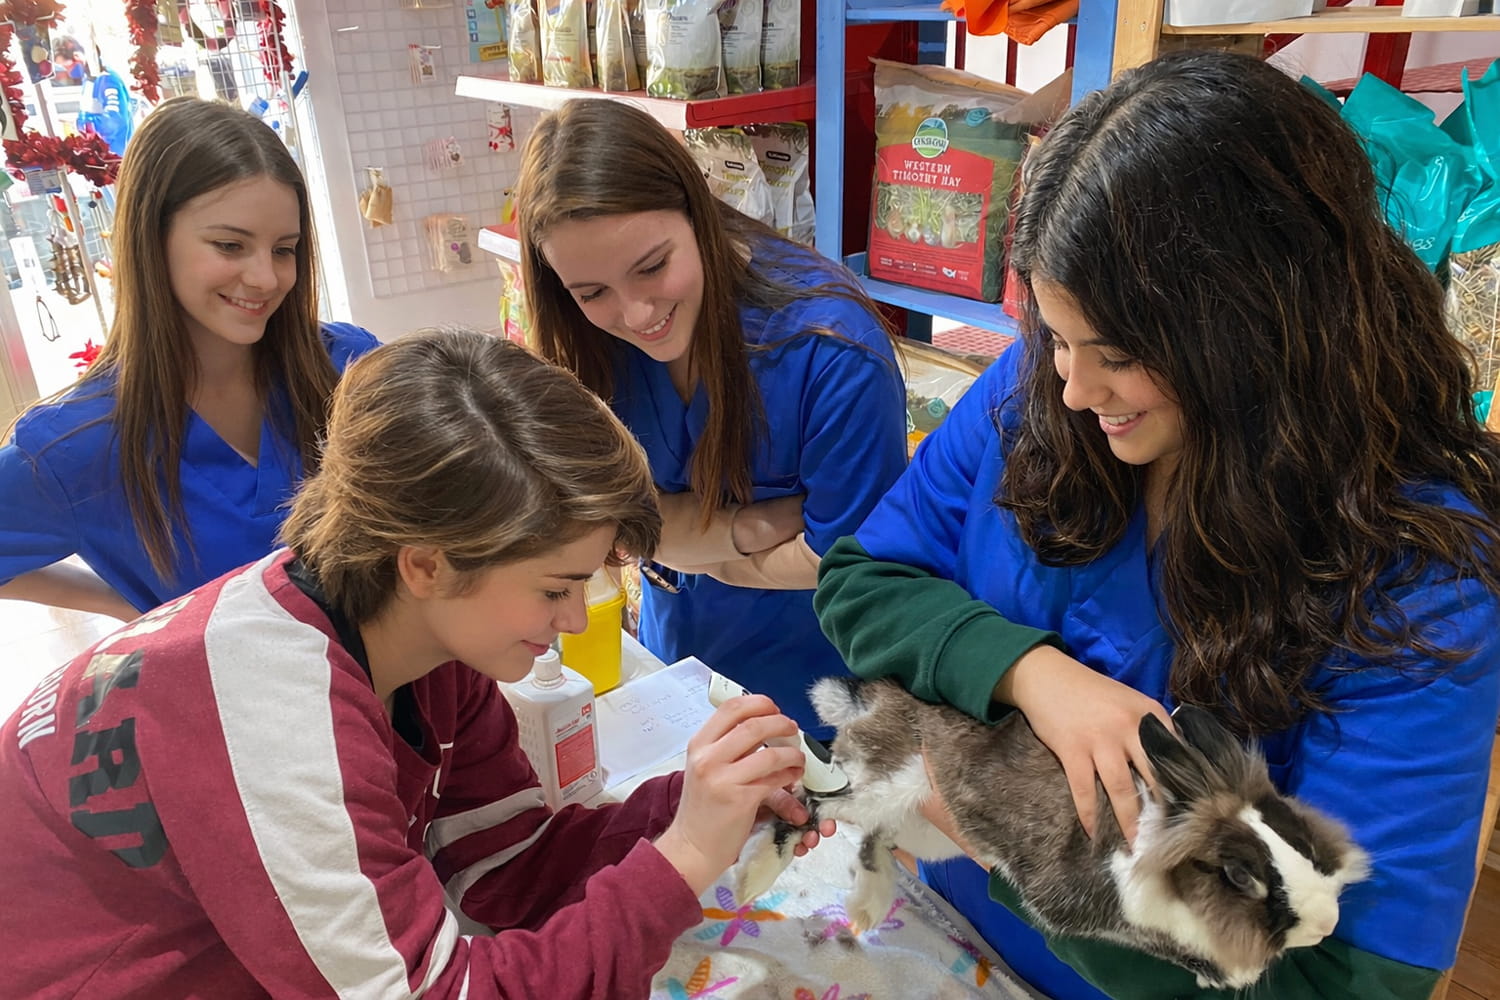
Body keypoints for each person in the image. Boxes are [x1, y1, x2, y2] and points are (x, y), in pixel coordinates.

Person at [815, 49, 1500, 1000]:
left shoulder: (1415, 574)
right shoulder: (1038, 399)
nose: (1076, 388)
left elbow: (1357, 980)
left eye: (1121, 353)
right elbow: (861, 582)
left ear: (1262, 328)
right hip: (936, 933)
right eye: (1056, 337)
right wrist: (1027, 671)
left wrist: (998, 844)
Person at [0, 328, 833, 998]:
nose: (577, 619)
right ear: (427, 562)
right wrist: (683, 861)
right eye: (555, 589)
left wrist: (691, 810)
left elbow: (499, 869)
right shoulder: (273, 710)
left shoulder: (423, 643)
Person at [515, 99, 908, 735]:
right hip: (676, 675)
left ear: (696, 212)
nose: (637, 314)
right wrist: (747, 529)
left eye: (652, 267)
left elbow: (844, 563)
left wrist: (691, 547)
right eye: (592, 293)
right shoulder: (585, 348)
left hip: (819, 699)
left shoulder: (829, 350)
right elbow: (603, 524)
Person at [0, 97, 379, 622]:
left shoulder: (351, 367)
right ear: (151, 240)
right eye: (230, 245)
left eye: (284, 249)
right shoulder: (81, 445)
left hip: (402, 700)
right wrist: (136, 607)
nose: (266, 279)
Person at [51, 35, 135, 155]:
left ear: (77, 56)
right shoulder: (89, 80)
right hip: (103, 156)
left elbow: (114, 120)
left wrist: (79, 124)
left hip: (119, 155)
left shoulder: (107, 80)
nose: (68, 71)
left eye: (67, 66)